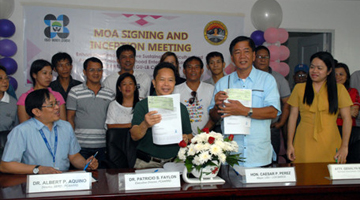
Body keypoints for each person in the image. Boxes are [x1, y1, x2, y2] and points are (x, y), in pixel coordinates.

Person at [209, 36, 281, 167]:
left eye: (246, 51)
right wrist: (218, 107)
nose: (242, 56)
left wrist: (244, 111)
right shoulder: (222, 83)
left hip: (259, 155)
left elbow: (273, 112)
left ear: (253, 55)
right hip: (231, 155)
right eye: (237, 52)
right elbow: (213, 117)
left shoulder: (267, 80)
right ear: (232, 58)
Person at [0, 89, 98, 174]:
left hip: (63, 181)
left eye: (56, 103)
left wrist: (85, 164)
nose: (57, 107)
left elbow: (74, 156)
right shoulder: (21, 131)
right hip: (35, 183)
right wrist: (38, 169)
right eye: (51, 105)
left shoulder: (66, 127)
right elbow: (5, 166)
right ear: (36, 112)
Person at [287, 52, 352, 164]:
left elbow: (347, 119)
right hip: (304, 139)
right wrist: (289, 144)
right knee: (303, 176)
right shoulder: (299, 88)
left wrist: (344, 146)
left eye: (319, 68)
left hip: (330, 139)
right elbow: (293, 117)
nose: (314, 71)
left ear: (329, 71)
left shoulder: (339, 89)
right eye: (312, 67)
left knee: (329, 176)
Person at [130, 62, 193, 169]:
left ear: (175, 83)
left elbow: (190, 134)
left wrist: (186, 138)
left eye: (170, 80)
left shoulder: (180, 107)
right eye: (162, 79)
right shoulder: (143, 105)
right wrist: (145, 124)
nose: (166, 84)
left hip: (176, 162)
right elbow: (134, 136)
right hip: (148, 163)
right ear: (154, 83)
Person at [67, 57, 115, 168]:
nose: (96, 73)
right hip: (80, 147)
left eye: (99, 70)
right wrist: (72, 142)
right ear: (84, 72)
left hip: (103, 146)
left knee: (102, 180)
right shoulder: (75, 92)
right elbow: (70, 118)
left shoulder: (110, 94)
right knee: (79, 180)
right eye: (92, 70)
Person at [254, 46, 291, 162]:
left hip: (271, 128)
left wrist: (281, 123)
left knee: (271, 161)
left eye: (265, 57)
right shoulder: (247, 77)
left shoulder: (278, 78)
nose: (262, 59)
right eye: (259, 57)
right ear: (254, 58)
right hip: (252, 127)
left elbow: (287, 103)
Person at [173, 56, 215, 135]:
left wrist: (202, 135)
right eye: (189, 67)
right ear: (184, 71)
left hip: (206, 137)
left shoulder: (211, 89)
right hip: (183, 138)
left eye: (196, 67)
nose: (193, 70)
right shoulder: (175, 90)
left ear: (202, 70)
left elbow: (214, 116)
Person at [0, 65, 18, 131]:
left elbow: (16, 129)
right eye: (0, 78)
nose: (5, 81)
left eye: (6, 78)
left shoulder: (13, 103)